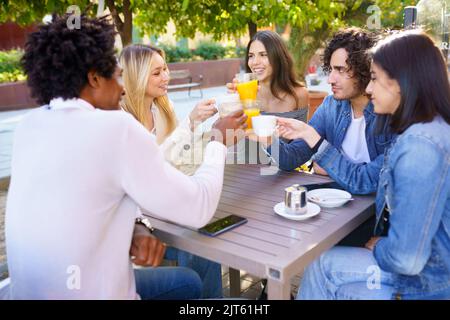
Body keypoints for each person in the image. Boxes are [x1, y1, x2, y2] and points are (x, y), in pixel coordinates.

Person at [5, 14, 247, 299]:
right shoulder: (116, 127)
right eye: (117, 75)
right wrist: (219, 140)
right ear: (94, 78)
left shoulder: (28, 127)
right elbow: (199, 208)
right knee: (194, 278)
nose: (122, 88)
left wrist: (138, 226)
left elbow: (85, 198)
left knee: (189, 282)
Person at [296, 30, 450, 300]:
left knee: (322, 267)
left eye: (375, 79)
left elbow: (407, 260)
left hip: (430, 281)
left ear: (402, 82)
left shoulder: (419, 147)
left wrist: (381, 246)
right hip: (433, 271)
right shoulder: (430, 127)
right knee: (338, 283)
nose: (369, 88)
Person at [119, 44, 222, 298]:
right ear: (136, 76)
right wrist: (191, 123)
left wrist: (205, 131)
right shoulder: (121, 120)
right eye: (156, 73)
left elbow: (180, 162)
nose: (166, 76)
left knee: (206, 239)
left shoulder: (163, 109)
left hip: (164, 210)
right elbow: (150, 170)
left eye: (165, 68)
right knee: (196, 240)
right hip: (139, 223)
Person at [270, 27, 394, 195]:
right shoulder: (331, 106)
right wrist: (267, 138)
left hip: (373, 213)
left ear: (365, 69)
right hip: (335, 203)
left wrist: (328, 163)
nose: (330, 79)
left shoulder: (390, 112)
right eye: (331, 69)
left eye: (341, 70)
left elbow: (367, 180)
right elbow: (292, 159)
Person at [227, 30, 309, 163]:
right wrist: (233, 104)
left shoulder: (299, 95)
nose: (255, 62)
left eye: (263, 55)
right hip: (244, 169)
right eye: (251, 56)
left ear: (278, 57)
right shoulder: (243, 93)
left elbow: (300, 147)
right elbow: (228, 139)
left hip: (283, 172)